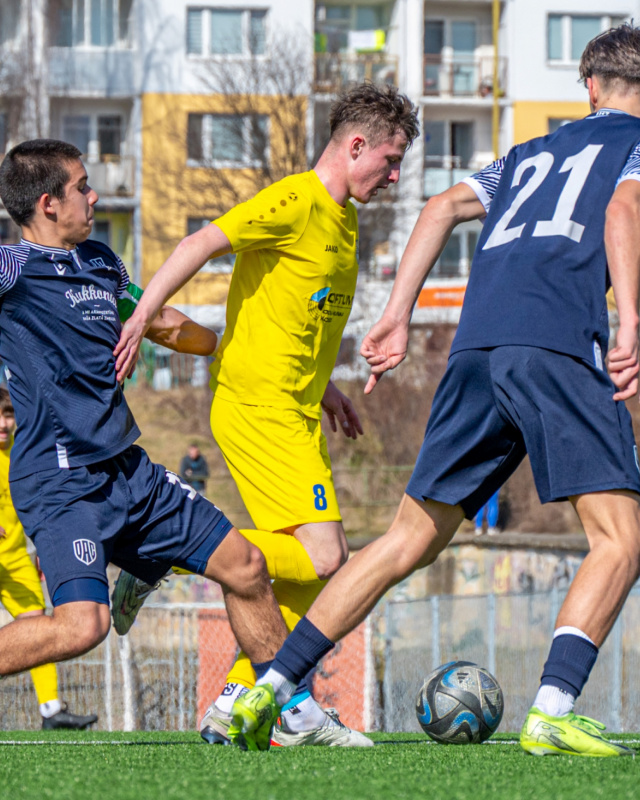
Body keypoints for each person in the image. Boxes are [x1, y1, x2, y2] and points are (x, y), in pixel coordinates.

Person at [192, 25, 640, 755]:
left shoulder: (529, 152)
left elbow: (439, 209)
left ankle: (266, 691)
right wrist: (631, 324)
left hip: (476, 348)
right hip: (556, 342)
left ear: (587, 85)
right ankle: (551, 708)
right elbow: (621, 210)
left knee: (405, 541)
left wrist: (396, 316)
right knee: (623, 541)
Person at [112, 83, 420, 748]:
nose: (394, 176)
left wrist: (326, 384)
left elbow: (300, 315)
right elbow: (202, 241)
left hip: (294, 405)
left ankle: (243, 697)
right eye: (390, 160)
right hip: (259, 406)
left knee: (312, 569)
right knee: (329, 556)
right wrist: (141, 314)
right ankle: (175, 552)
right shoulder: (294, 199)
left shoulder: (345, 219)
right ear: (355, 144)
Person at [0, 139, 288, 752]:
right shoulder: (11, 269)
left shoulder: (103, 262)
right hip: (61, 481)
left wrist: (234, 351)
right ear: (48, 204)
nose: (94, 195)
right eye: (82, 186)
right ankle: (137, 569)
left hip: (130, 472)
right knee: (85, 626)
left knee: (248, 568)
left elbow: (160, 322)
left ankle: (294, 712)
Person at [0, 387, 98, 729]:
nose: (3, 423)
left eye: (8, 415)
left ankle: (51, 710)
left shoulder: (23, 456)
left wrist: (47, 545)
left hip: (15, 561)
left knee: (36, 629)